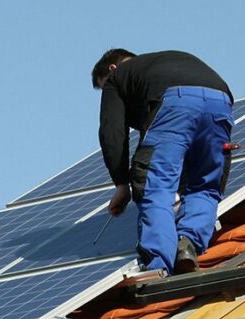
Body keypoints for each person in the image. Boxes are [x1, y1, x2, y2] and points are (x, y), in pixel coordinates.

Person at [92, 49, 233, 275]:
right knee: (205, 185)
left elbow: (113, 132)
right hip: (221, 101)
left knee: (154, 186)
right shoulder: (163, 63)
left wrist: (121, 184)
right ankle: (187, 244)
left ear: (112, 69)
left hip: (174, 103)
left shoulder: (118, 77)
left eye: (103, 86)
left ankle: (159, 264)